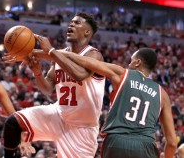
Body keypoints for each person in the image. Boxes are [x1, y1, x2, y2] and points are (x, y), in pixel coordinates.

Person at [34, 47, 177, 158]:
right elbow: (171, 141)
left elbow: (82, 60)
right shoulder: (163, 95)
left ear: (138, 62)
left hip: (117, 142)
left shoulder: (122, 73)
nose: (129, 63)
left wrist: (44, 52)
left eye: (131, 60)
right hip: (146, 146)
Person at [3, 12, 105, 158]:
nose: (71, 24)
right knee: (13, 123)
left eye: (77, 23)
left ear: (87, 32)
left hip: (82, 128)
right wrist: (38, 73)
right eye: (71, 22)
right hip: (58, 114)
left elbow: (80, 74)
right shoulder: (59, 55)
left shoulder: (94, 55)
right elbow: (47, 89)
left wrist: (50, 51)